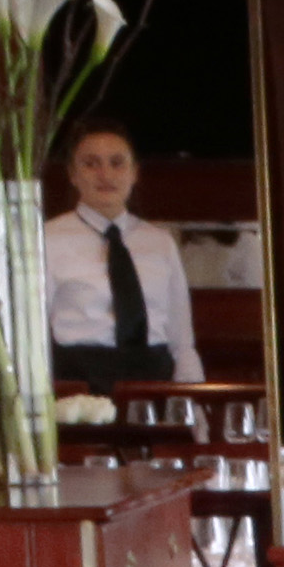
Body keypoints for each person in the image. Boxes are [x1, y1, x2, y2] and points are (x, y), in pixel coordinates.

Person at [43, 118, 193, 387]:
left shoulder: (159, 242)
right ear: (72, 174)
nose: (105, 175)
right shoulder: (47, 239)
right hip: (78, 381)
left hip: (153, 380)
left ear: (134, 172)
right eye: (90, 164)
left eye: (117, 162)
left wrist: (193, 400)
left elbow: (181, 339)